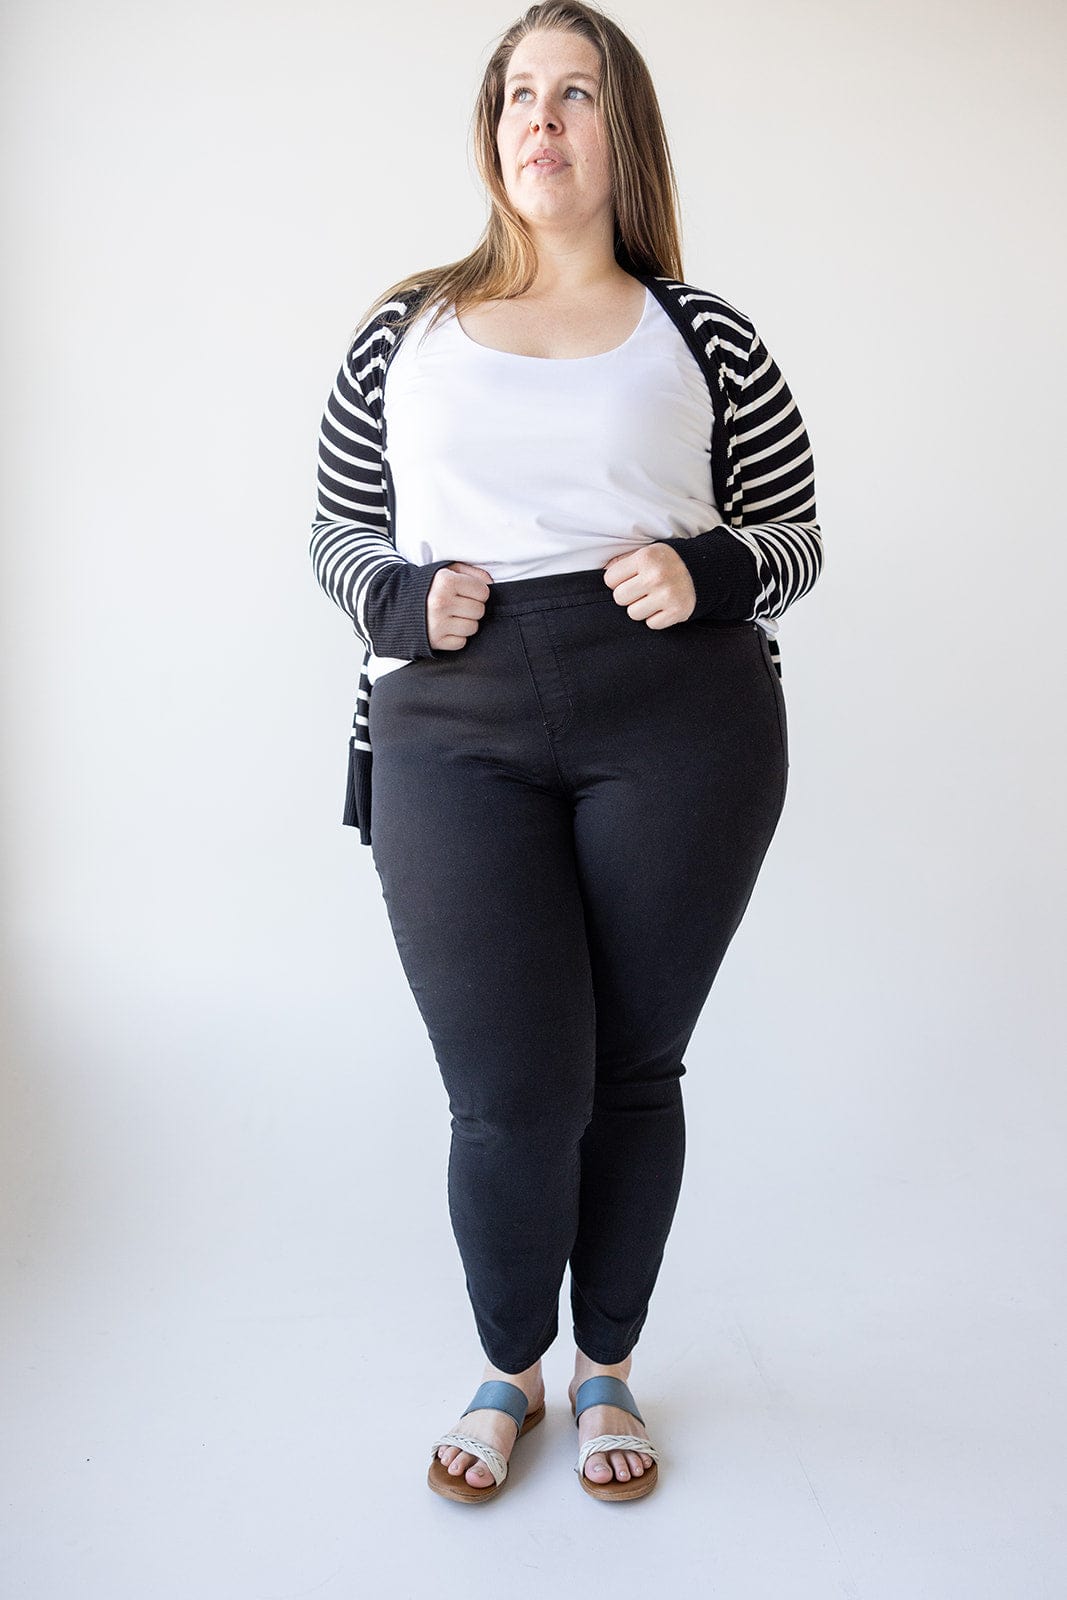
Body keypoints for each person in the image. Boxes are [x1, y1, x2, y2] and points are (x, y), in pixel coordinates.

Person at [309, 0, 822, 1504]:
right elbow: (340, 534)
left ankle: (604, 1371)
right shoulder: (403, 328)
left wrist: (710, 572)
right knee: (510, 1090)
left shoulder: (702, 329)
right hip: (451, 725)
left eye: (578, 94)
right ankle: (505, 1367)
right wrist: (405, 596)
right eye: (520, 93)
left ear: (621, 131)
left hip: (680, 719)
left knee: (633, 1065)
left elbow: (793, 533)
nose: (544, 117)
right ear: (492, 132)